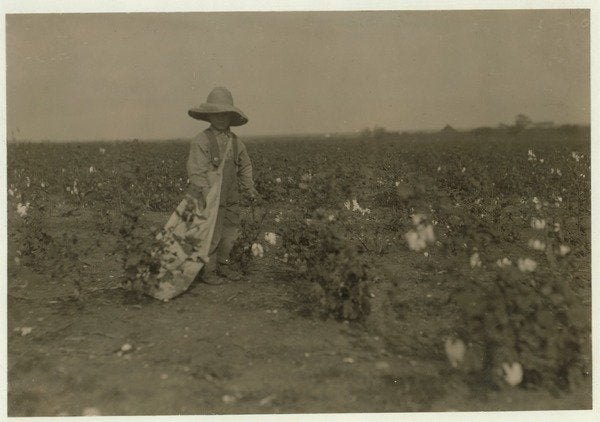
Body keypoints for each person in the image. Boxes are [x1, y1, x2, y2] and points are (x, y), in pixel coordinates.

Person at [186, 86, 260, 285]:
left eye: (224, 114)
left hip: (231, 194)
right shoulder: (201, 140)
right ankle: (208, 270)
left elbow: (245, 165)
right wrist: (203, 192)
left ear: (230, 117)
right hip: (210, 194)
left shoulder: (237, 142)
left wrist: (248, 187)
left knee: (230, 230)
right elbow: (196, 170)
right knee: (211, 231)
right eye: (216, 114)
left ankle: (223, 265)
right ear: (209, 116)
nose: (220, 118)